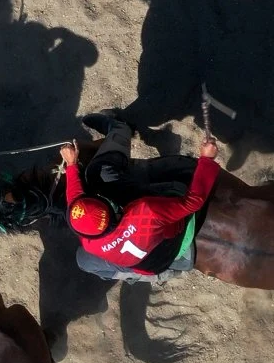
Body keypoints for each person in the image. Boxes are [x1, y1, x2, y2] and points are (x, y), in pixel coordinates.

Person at [60, 111, 221, 282]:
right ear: (113, 212)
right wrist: (207, 160)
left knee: (83, 261)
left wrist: (71, 166)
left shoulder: (90, 243)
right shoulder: (145, 211)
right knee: (104, 172)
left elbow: (75, 201)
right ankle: (120, 130)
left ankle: (145, 276)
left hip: (148, 265)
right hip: (169, 239)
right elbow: (192, 203)